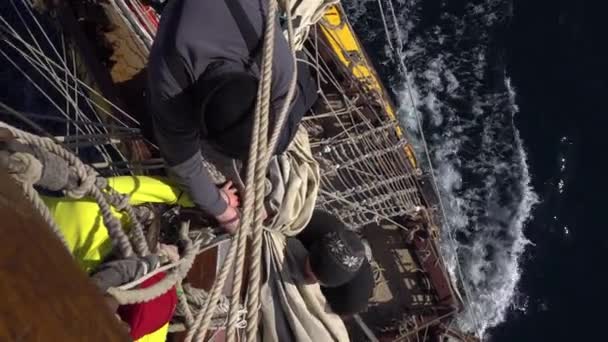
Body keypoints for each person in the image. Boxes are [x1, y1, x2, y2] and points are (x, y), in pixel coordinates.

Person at [146, 0, 318, 233]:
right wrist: (223, 211)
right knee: (152, 127)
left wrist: (224, 207)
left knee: (286, 127)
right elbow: (182, 163)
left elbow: (285, 104)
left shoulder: (279, 65)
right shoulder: (170, 77)